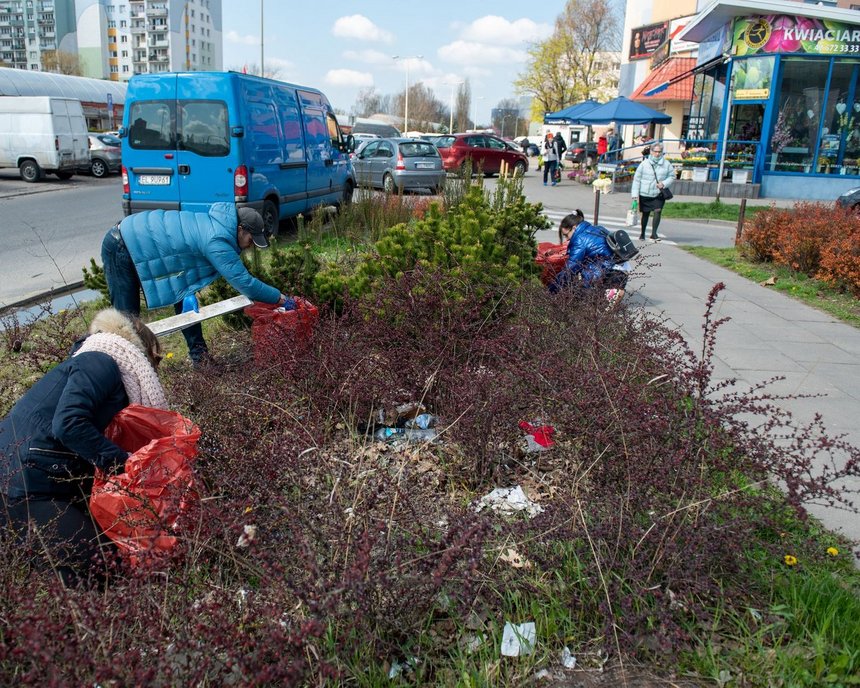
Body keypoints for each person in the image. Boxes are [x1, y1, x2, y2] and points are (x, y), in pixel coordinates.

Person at [1, 309, 167, 586]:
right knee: (104, 572)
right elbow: (68, 425)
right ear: (139, 351)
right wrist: (124, 464)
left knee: (85, 573)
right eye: (153, 361)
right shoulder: (101, 362)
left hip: (25, 476)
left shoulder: (92, 360)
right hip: (26, 483)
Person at [101, 204, 294, 365]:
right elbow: (246, 283)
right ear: (240, 229)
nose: (251, 245)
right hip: (122, 243)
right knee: (126, 318)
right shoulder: (216, 240)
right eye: (251, 240)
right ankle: (125, 369)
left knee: (183, 299)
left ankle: (201, 360)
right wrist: (280, 298)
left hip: (137, 238)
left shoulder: (217, 225)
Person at [550, 210, 628, 301]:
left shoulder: (579, 239)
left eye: (566, 235)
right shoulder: (598, 228)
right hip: (622, 269)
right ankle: (614, 290)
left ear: (574, 228)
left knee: (582, 292)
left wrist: (552, 289)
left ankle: (607, 294)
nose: (567, 239)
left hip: (607, 270)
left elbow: (570, 268)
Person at [631, 142, 674, 242]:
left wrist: (663, 183)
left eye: (660, 152)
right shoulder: (644, 164)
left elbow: (672, 176)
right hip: (645, 193)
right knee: (645, 214)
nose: (658, 154)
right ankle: (642, 233)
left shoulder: (666, 164)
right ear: (651, 152)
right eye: (655, 151)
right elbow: (637, 180)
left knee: (658, 210)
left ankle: (654, 233)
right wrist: (634, 195)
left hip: (658, 193)